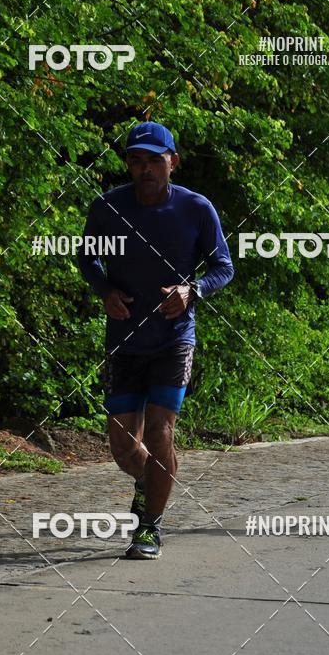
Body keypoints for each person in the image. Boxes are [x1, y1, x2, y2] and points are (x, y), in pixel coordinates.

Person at [78, 122, 234, 558]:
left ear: (173, 162)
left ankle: (149, 526)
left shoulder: (196, 209)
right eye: (135, 160)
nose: (144, 169)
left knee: (163, 431)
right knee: (124, 449)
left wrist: (193, 290)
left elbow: (224, 266)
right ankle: (150, 485)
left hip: (173, 338)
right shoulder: (108, 207)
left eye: (153, 160)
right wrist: (104, 290)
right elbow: (87, 257)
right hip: (124, 339)